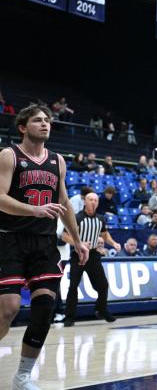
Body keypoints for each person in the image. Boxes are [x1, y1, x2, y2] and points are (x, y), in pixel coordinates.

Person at [0, 104, 89, 390]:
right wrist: (33, 210)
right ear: (23, 127)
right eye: (38, 120)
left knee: (45, 306)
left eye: (47, 120)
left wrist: (77, 240)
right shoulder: (8, 155)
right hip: (9, 238)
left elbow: (63, 204)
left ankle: (22, 376)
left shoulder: (57, 161)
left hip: (44, 243)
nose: (45, 124)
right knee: (9, 308)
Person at [64, 192, 121, 327]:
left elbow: (104, 234)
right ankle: (69, 317)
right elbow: (65, 236)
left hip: (94, 256)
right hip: (78, 255)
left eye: (95, 200)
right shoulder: (77, 218)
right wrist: (80, 243)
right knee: (73, 287)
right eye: (90, 200)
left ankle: (101, 309)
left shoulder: (101, 219)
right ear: (85, 202)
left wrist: (114, 243)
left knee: (103, 286)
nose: (93, 202)